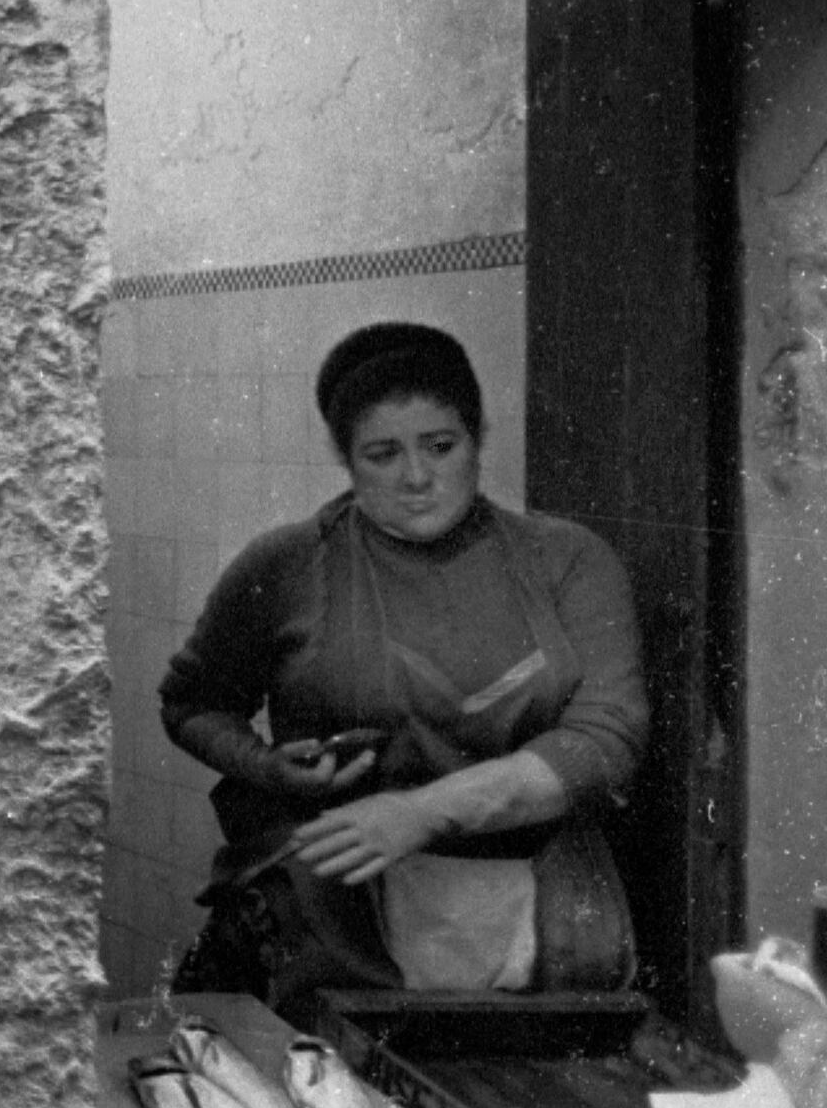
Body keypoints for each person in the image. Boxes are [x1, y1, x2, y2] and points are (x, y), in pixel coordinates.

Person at [161, 320, 648, 1013]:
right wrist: (266, 767)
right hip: (335, 911)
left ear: (478, 440)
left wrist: (423, 813)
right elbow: (192, 703)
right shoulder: (289, 564)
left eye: (441, 447)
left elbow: (607, 741)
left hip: (537, 910)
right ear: (347, 459)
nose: (417, 478)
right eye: (383, 454)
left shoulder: (568, 561)